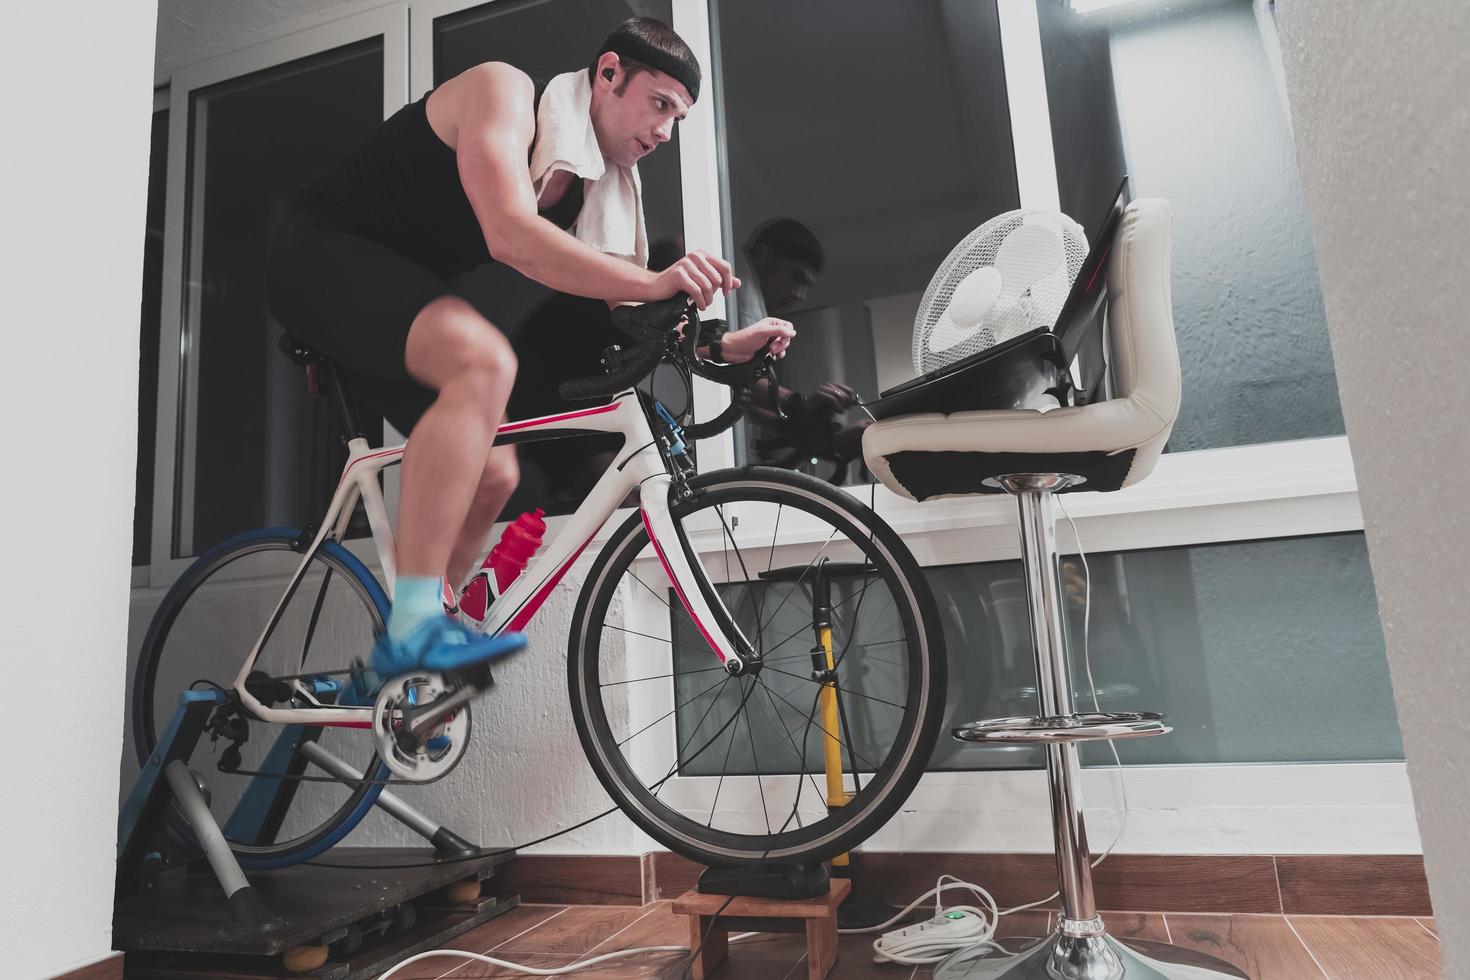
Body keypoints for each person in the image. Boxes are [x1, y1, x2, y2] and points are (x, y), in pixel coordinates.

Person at [266, 17, 795, 679]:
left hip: (394, 296)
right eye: (660, 104)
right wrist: (657, 278)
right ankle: (412, 627)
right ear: (607, 75)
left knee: (496, 472)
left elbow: (631, 313)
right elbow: (509, 234)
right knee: (485, 362)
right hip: (318, 255)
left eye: (677, 119)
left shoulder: (591, 188)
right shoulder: (502, 92)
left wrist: (720, 350)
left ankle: (424, 654)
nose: (665, 131)